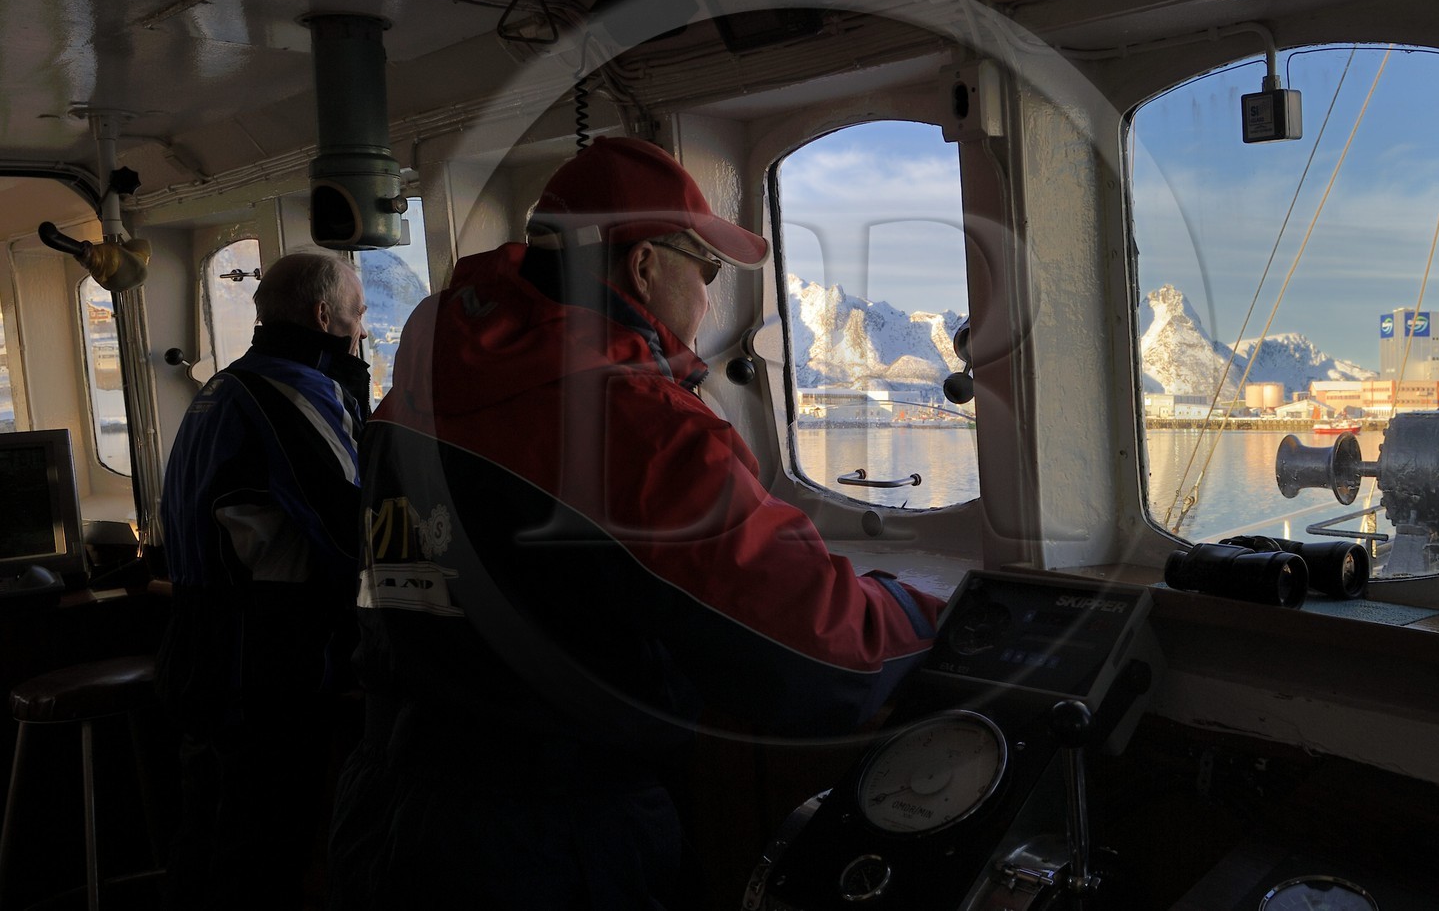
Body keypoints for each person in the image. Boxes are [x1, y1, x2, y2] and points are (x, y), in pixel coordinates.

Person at [328, 136, 945, 910]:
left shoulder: (420, 381)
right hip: (547, 844)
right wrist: (929, 616)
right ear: (646, 265)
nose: (710, 302)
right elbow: (824, 662)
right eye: (708, 272)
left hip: (386, 807)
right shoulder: (630, 421)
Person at [156, 250, 370, 910]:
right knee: (263, 849)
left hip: (206, 642)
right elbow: (350, 524)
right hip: (266, 655)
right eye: (358, 315)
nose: (363, 330)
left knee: (210, 838)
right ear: (323, 315)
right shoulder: (293, 389)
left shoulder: (226, 385)